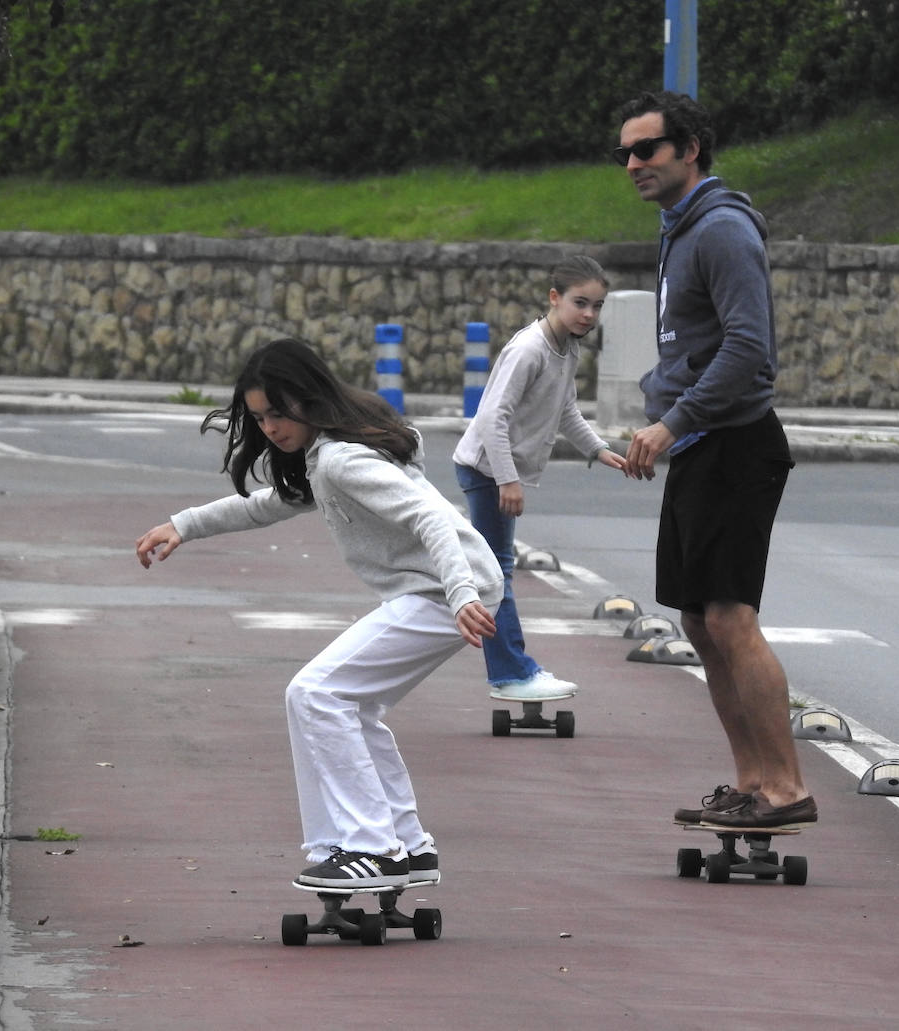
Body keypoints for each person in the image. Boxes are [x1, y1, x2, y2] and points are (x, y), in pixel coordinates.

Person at [135, 338, 503, 889]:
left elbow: (433, 519)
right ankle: (409, 846)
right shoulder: (325, 453)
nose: (270, 429)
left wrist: (460, 593)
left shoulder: (340, 459)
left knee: (316, 694)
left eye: (278, 413)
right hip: (441, 592)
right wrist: (186, 523)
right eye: (259, 418)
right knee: (351, 706)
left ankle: (373, 848)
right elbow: (267, 505)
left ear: (308, 398)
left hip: (446, 594)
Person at [614, 90, 816, 832]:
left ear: (690, 148)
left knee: (731, 618)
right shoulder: (681, 228)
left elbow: (747, 351)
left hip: (734, 442)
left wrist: (673, 422)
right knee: (699, 622)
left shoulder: (722, 229)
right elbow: (694, 345)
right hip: (702, 446)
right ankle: (752, 781)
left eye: (648, 149)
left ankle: (787, 785)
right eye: (625, 153)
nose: (633, 163)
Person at [453, 256, 628, 701]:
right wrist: (507, 480)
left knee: (492, 569)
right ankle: (512, 674)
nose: (589, 314)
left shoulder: (567, 346)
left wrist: (598, 449)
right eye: (580, 303)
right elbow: (492, 417)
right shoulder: (529, 349)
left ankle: (510, 668)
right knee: (497, 572)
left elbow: (565, 408)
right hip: (485, 468)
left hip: (495, 469)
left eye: (597, 305)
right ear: (555, 298)